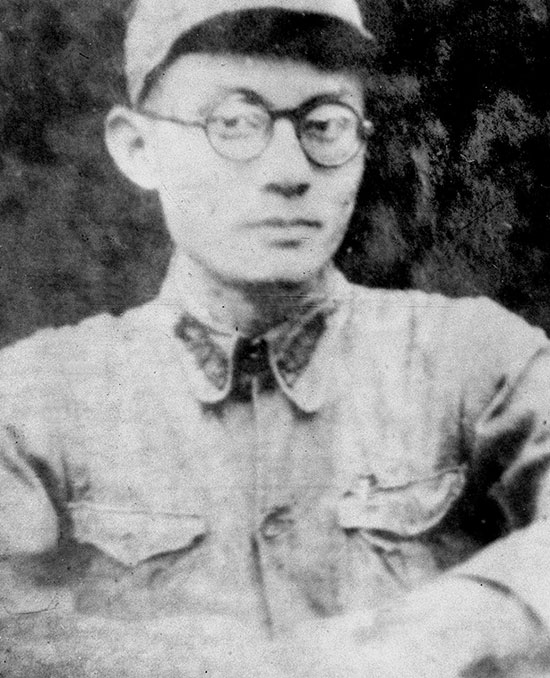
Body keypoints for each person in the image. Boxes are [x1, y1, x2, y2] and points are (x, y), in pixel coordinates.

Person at [1, 0, 550, 676]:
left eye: (326, 125)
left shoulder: (474, 358)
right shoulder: (35, 400)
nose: (290, 170)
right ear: (138, 148)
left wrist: (464, 617)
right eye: (234, 123)